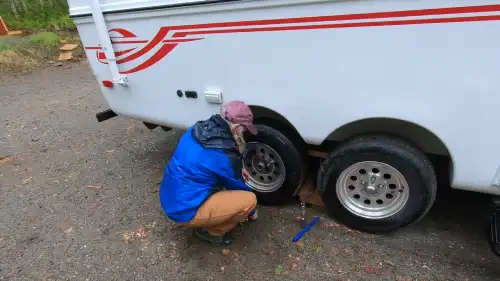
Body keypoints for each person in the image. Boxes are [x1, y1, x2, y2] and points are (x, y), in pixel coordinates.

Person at [159, 100, 259, 245]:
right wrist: (252, 212)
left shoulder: (197, 129)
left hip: (171, 196)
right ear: (237, 128)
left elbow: (207, 163)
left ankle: (205, 215)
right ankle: (211, 233)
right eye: (245, 130)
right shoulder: (223, 154)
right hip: (185, 209)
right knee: (249, 200)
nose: (245, 133)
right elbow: (238, 186)